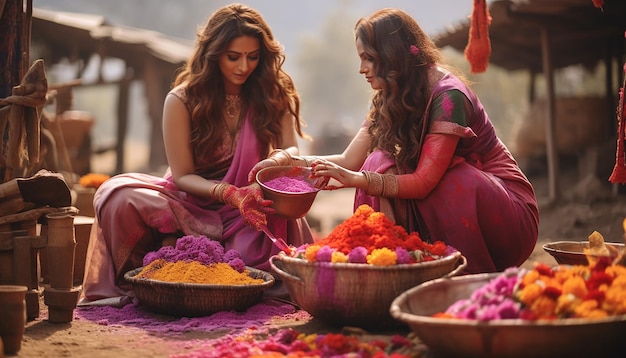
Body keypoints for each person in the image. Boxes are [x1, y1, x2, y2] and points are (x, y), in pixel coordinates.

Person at [251, 8, 539, 274]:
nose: (361, 68)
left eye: (368, 58)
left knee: (452, 178)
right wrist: (289, 163)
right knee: (378, 161)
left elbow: (425, 181)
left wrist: (358, 180)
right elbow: (347, 161)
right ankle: (394, 265)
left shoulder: (449, 97)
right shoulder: (389, 97)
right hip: (449, 205)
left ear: (392, 55)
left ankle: (466, 274)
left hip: (504, 216)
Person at [80, 3, 314, 305]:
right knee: (116, 197)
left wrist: (277, 160)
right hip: (187, 202)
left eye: (253, 57)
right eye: (234, 57)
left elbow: (292, 147)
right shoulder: (183, 99)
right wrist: (228, 192)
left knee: (254, 250)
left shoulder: (273, 92)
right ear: (213, 54)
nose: (244, 66)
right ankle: (139, 280)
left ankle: (187, 254)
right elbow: (182, 175)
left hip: (246, 206)